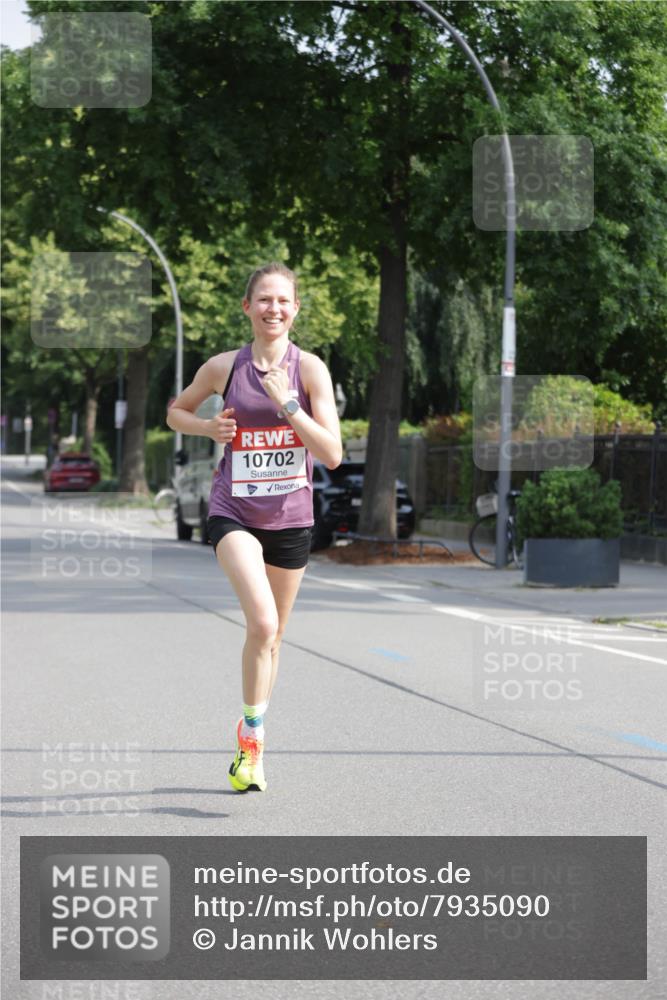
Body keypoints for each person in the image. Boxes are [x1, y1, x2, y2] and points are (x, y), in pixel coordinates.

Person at [166, 263, 342, 792]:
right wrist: (206, 425)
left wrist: (288, 402)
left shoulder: (310, 370)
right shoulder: (223, 367)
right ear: (247, 307)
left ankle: (252, 733)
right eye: (264, 300)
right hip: (234, 511)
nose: (274, 309)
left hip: (291, 519)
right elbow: (176, 412)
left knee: (274, 637)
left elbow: (331, 453)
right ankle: (252, 741)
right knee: (263, 624)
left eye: (284, 301)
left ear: (296, 309)